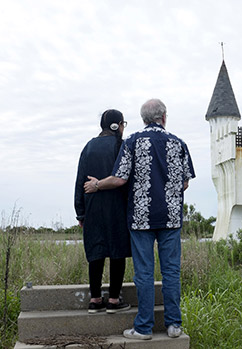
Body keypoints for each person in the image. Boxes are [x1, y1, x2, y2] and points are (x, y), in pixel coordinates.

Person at [84, 99, 195, 339]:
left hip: (141, 219)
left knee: (144, 273)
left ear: (143, 119)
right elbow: (185, 182)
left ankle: (143, 328)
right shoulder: (179, 144)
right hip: (171, 218)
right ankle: (174, 326)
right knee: (171, 272)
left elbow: (120, 179)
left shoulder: (132, 142)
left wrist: (96, 184)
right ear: (164, 117)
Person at [74, 109, 131, 314]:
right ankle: (114, 300)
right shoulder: (122, 146)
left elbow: (80, 181)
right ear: (117, 125)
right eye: (123, 123)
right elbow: (127, 181)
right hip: (117, 207)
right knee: (117, 252)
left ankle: (95, 299)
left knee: (96, 253)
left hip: (92, 208)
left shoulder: (88, 146)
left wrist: (80, 213)